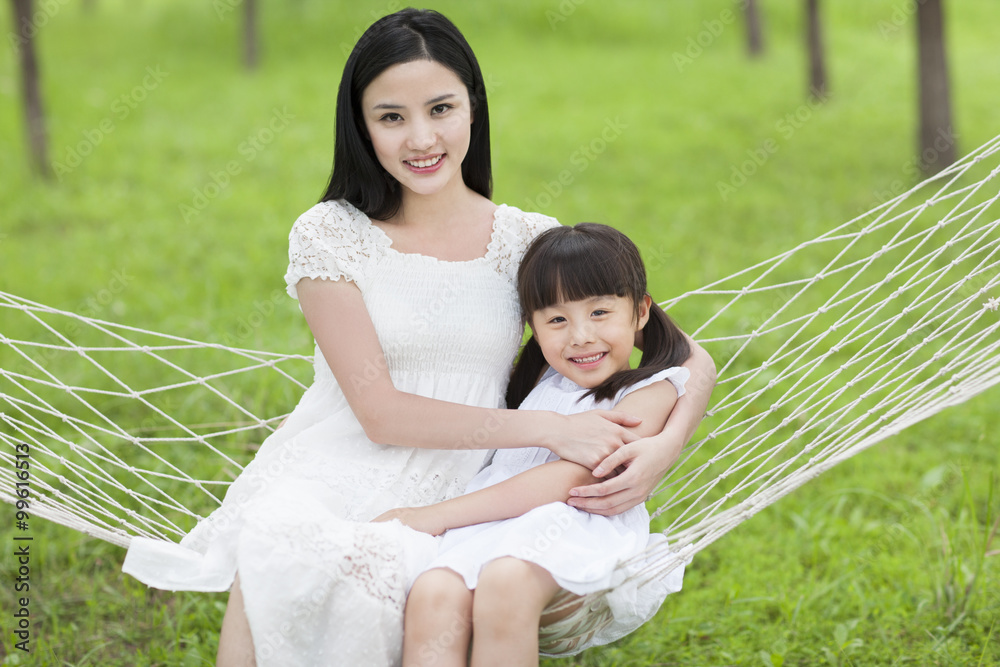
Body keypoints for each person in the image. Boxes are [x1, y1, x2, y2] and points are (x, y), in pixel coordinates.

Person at [121, 8, 715, 667]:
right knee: (282, 540)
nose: (421, 137)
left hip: (467, 479)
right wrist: (551, 433)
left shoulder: (524, 239)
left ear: (472, 108)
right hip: (336, 465)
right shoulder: (330, 234)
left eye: (440, 108)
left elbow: (683, 354)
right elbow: (379, 413)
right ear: (361, 125)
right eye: (391, 117)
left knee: (394, 570)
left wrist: (665, 444)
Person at [375, 223, 691, 666]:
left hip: (572, 527)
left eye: (600, 312)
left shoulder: (651, 390)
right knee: (433, 592)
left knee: (507, 582)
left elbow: (568, 480)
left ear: (640, 313)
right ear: (533, 328)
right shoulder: (539, 379)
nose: (580, 335)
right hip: (490, 524)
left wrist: (432, 517)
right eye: (557, 320)